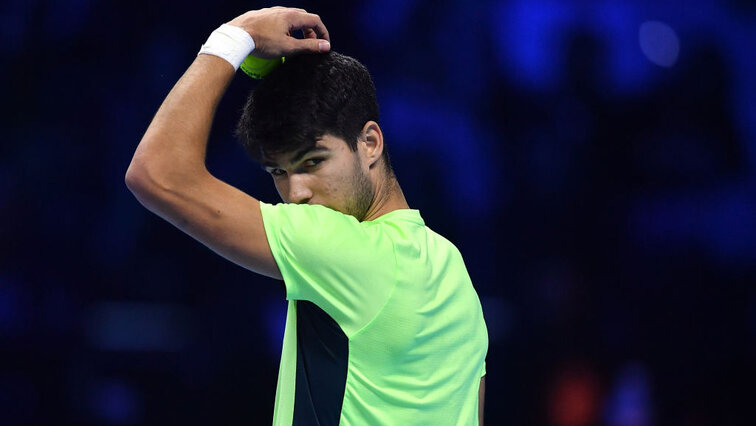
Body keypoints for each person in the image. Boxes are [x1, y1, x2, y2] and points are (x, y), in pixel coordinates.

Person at [125, 6, 488, 425]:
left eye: (313, 162)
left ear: (370, 142)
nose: (295, 193)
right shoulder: (455, 272)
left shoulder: (341, 247)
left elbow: (155, 173)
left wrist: (235, 35)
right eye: (279, 171)